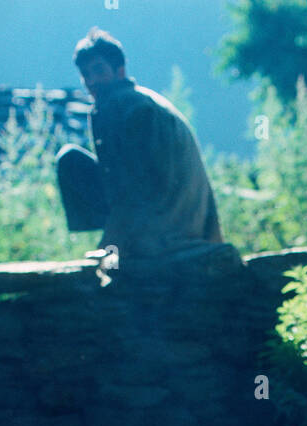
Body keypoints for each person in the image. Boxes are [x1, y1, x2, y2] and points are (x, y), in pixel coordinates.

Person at [55, 27, 223, 260]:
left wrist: (112, 243)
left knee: (69, 160)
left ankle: (123, 241)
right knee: (72, 160)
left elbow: (134, 184)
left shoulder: (126, 106)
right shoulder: (136, 100)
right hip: (186, 221)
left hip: (168, 227)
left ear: (120, 71)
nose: (91, 81)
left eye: (99, 70)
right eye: (85, 74)